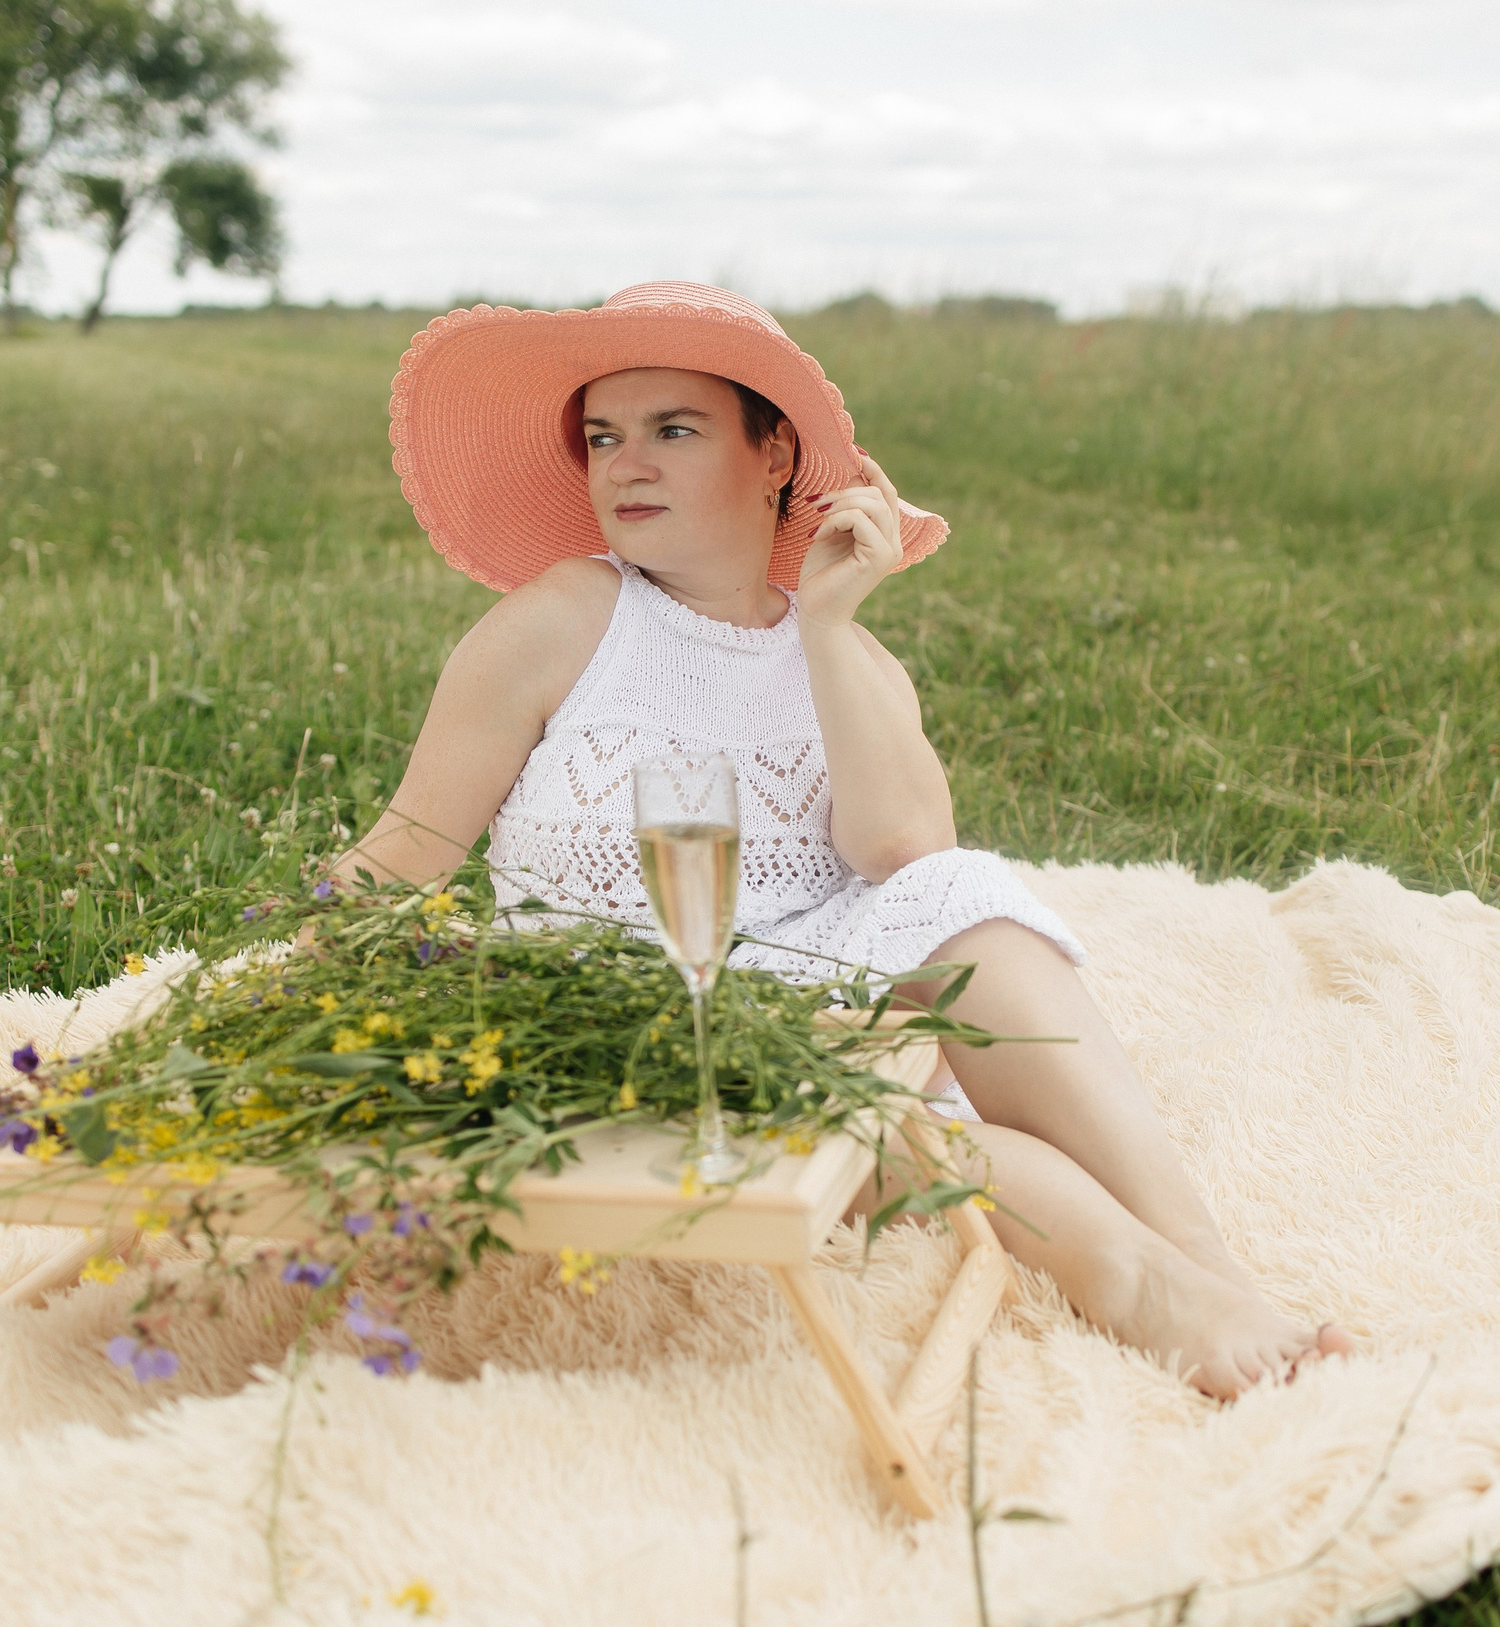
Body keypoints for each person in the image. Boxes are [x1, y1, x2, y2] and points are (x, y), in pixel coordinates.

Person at [337, 282, 1348, 1396]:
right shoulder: (563, 618)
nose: (626, 464)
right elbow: (409, 848)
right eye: (604, 437)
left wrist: (823, 625)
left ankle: (1211, 1272)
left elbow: (906, 852)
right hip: (617, 1001)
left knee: (976, 909)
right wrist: (283, 969)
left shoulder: (847, 659)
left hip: (807, 987)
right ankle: (1146, 1286)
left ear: (773, 455)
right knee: (906, 1128)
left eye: (674, 430)